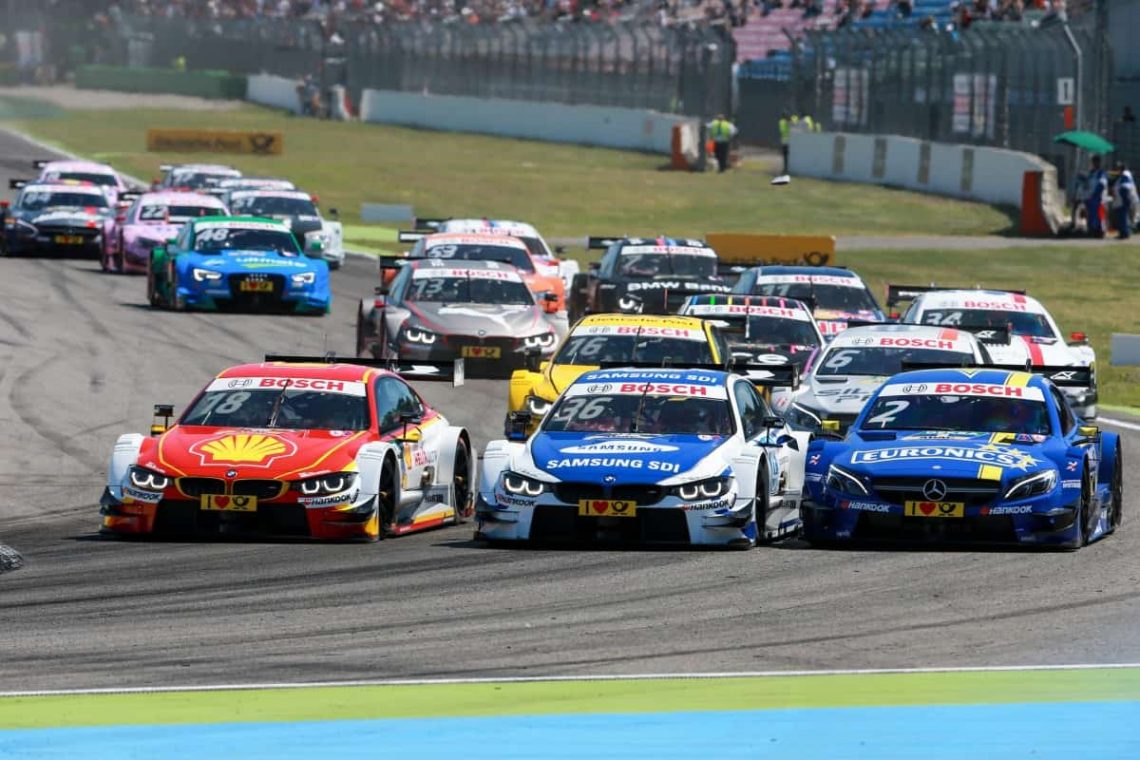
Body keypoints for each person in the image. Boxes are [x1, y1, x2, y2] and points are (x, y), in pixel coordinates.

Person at [1086, 155, 1108, 238]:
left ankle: (1100, 231)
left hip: (1099, 198)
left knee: (1100, 215)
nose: (1094, 164)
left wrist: (1096, 193)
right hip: (1091, 198)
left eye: (1096, 162)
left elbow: (1102, 184)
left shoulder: (1101, 173)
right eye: (1093, 162)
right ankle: (1093, 230)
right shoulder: (1092, 173)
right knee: (1092, 215)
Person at [1113, 161, 1136, 240]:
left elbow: (1125, 188)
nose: (1117, 169)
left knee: (1123, 217)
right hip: (1120, 200)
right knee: (1120, 217)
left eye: (1119, 168)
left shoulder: (1125, 175)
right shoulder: (1121, 177)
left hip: (1124, 199)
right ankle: (1122, 232)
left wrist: (1125, 199)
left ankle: (1125, 233)